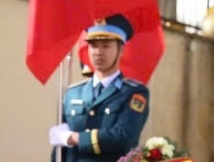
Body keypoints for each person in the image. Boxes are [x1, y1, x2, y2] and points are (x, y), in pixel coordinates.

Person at [49, 14, 150, 162]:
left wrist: (72, 138)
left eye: (106, 46)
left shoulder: (134, 93)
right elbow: (59, 152)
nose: (98, 52)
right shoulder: (72, 93)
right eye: (93, 45)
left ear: (121, 49)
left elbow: (123, 138)